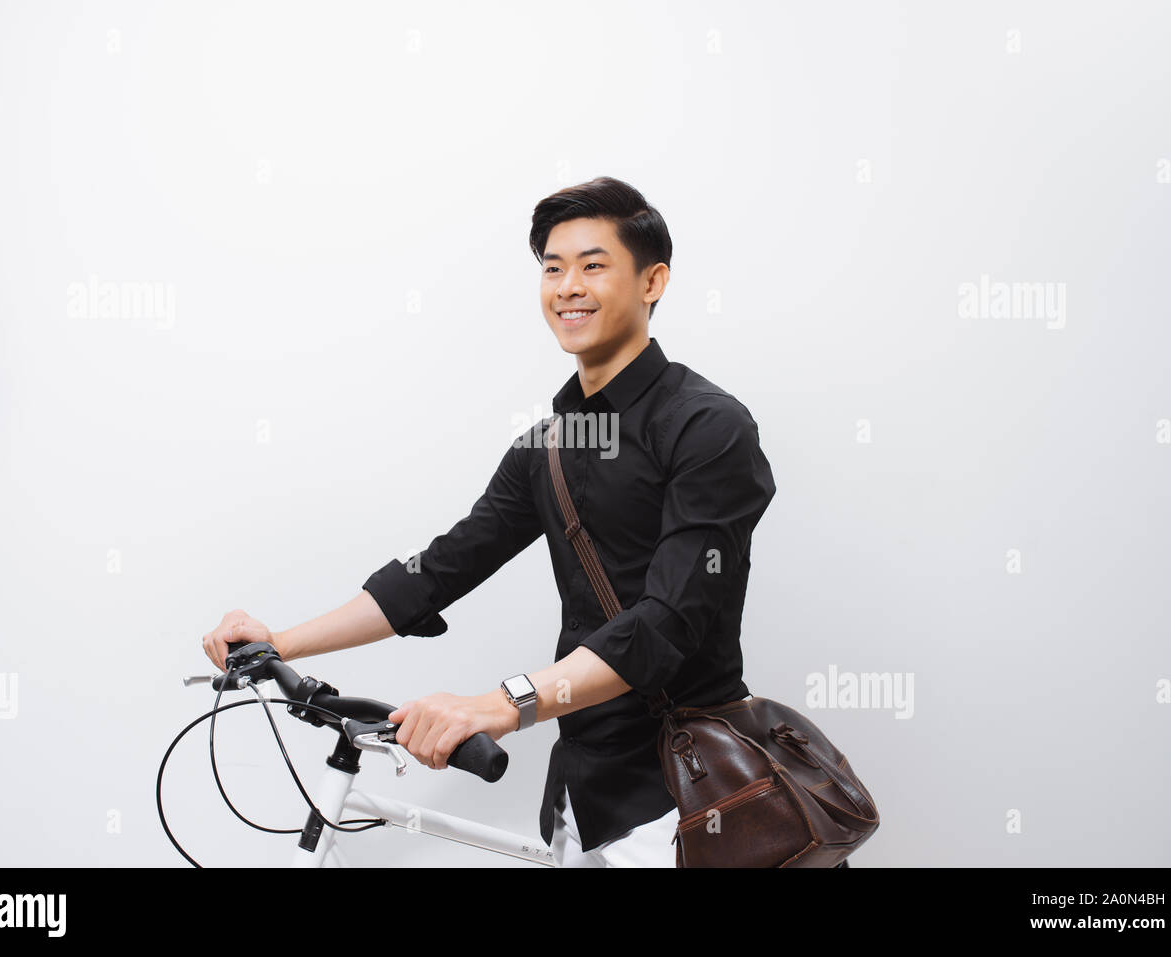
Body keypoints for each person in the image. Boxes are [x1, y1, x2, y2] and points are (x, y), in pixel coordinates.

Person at [200, 177, 778, 867]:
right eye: (553, 268)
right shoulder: (548, 447)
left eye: (593, 265)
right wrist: (281, 641)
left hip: (687, 799)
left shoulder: (708, 426)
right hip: (582, 798)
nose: (569, 286)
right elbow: (437, 571)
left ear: (653, 280)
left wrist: (501, 703)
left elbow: (667, 621)